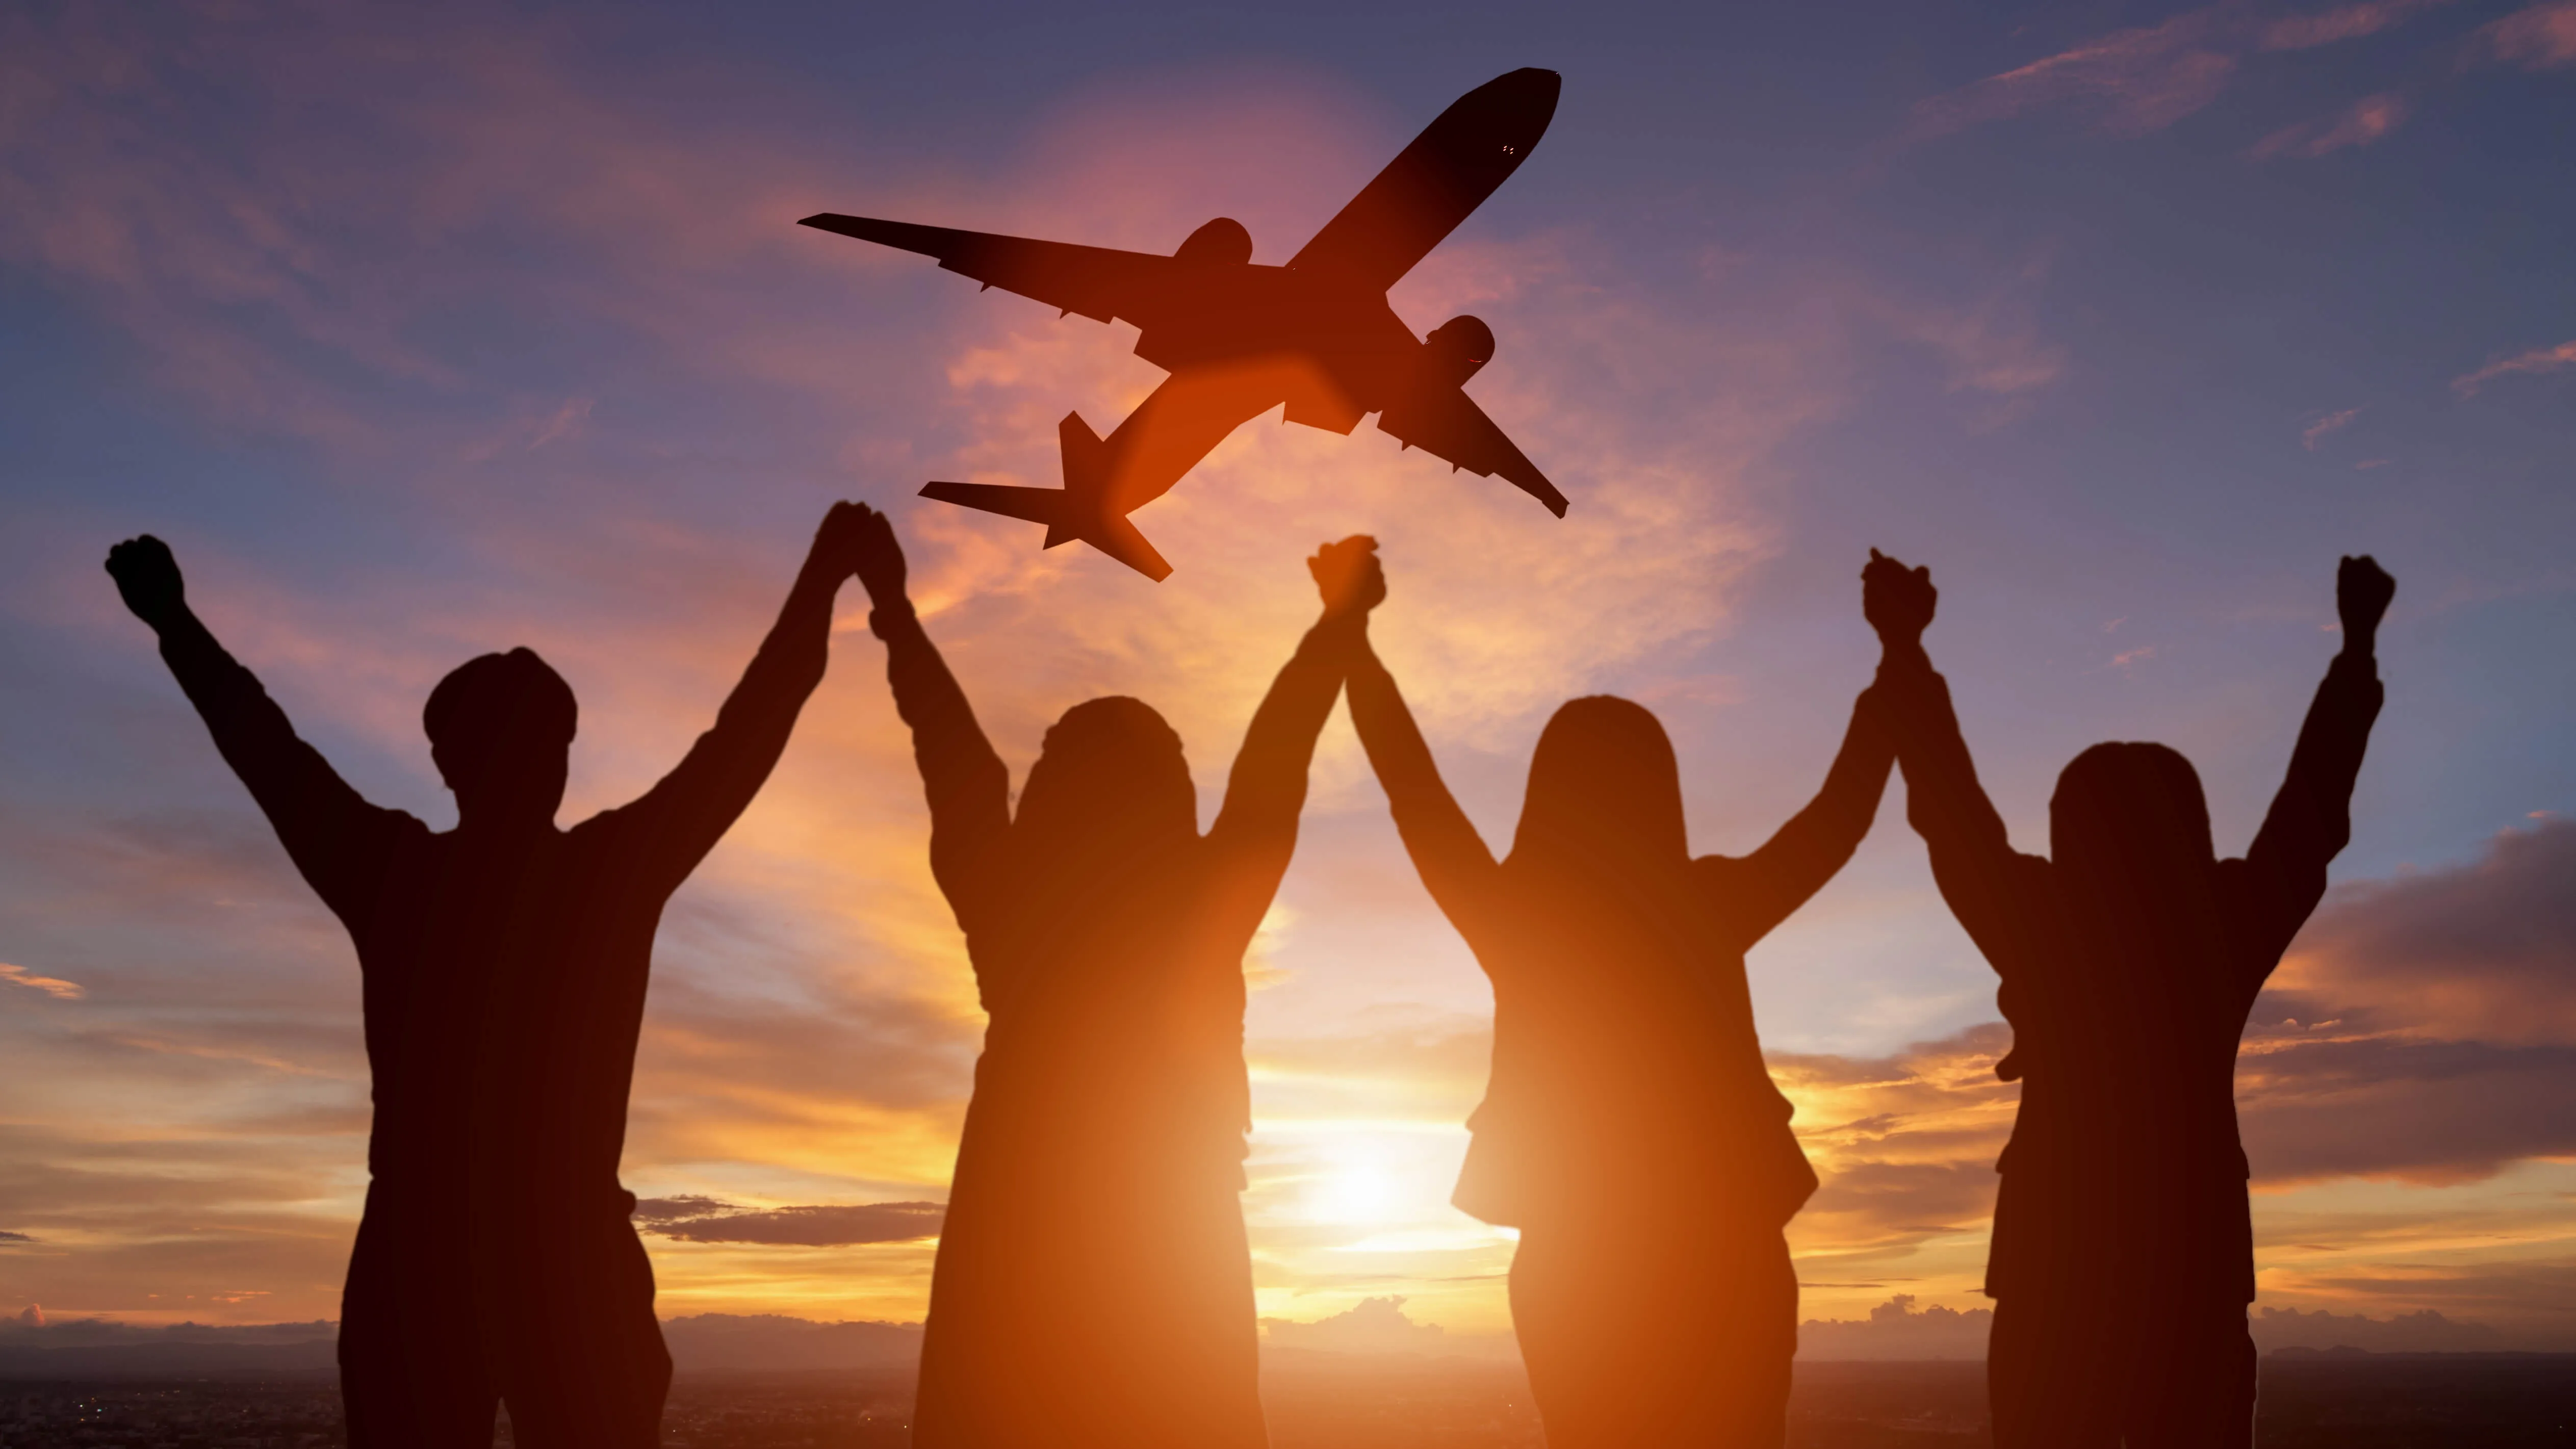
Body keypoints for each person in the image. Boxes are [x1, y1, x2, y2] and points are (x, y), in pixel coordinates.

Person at [103, 503, 879, 1448]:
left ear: (445, 764)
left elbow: (266, 747)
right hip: (551, 1266)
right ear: (556, 758)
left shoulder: (397, 875)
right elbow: (750, 729)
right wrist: (822, 578)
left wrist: (175, 623)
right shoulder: (601, 875)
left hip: (435, 1264)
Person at [1339, 548, 1919, 1447]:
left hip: (1580, 1257)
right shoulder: (1708, 906)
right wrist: (1896, 655)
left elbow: (1415, 793)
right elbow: (1839, 818)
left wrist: (1352, 639)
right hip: (1722, 1249)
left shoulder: (1518, 915)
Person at [856, 511, 1380, 1448]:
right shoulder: (1199, 911)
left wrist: (896, 608)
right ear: (1169, 799)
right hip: (1172, 1247)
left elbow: (953, 757)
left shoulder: (1012, 903)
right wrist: (1336, 624)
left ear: (1047, 800)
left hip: (1012, 1240)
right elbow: (1275, 766)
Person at [1870, 554, 2392, 1448]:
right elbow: (2313, 814)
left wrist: (1905, 650)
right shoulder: (2219, 930)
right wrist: (2356, 650)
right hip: (2191, 1267)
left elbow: (1951, 815)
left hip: (2054, 1270)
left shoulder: (2043, 923)